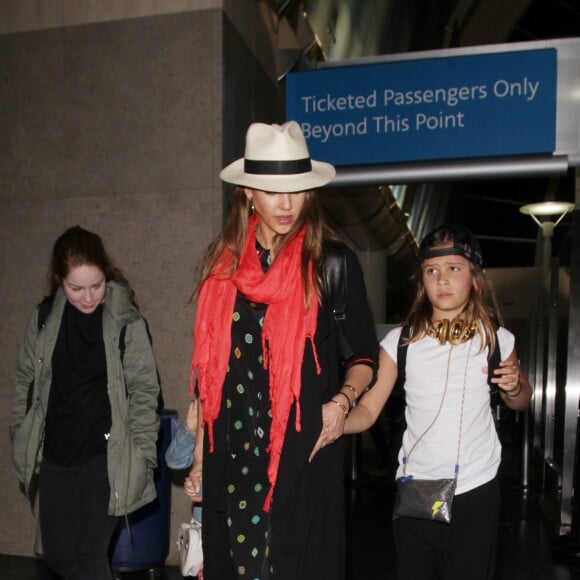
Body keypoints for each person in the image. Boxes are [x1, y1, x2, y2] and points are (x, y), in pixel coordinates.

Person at [187, 121, 378, 579]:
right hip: (231, 456)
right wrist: (198, 460)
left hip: (301, 457)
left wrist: (341, 402)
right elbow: (208, 380)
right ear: (249, 194)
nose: (286, 203)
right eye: (273, 191)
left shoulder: (332, 264)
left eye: (295, 189)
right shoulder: (221, 271)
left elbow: (365, 358)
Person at [344, 224, 532, 580]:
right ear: (421, 281)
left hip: (475, 490)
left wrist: (514, 386)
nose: (442, 280)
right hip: (417, 489)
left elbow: (522, 400)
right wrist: (335, 419)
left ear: (474, 278)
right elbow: (368, 410)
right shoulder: (400, 341)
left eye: (454, 269)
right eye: (432, 271)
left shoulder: (497, 339)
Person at [10, 226, 160, 580]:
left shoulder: (126, 320)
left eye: (96, 285)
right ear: (59, 280)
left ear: (105, 274)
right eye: (76, 288)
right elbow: (25, 382)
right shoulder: (44, 318)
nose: (89, 297)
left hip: (106, 456)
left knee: (92, 556)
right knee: (61, 558)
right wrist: (20, 432)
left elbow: (144, 391)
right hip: (57, 456)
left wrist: (142, 454)